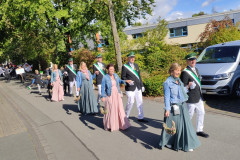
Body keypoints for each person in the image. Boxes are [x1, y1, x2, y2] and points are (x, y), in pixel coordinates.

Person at [159, 63, 200, 152]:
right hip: (174, 107)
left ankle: (185, 144)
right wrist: (167, 109)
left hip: (182, 106)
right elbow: (167, 97)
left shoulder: (179, 80)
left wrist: (188, 86)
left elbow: (181, 92)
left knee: (185, 126)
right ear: (172, 71)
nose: (178, 72)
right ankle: (169, 142)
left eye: (179, 70)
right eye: (177, 70)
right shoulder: (167, 83)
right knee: (173, 127)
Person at [180, 52, 209, 138]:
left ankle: (199, 130)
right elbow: (183, 87)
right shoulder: (185, 72)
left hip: (198, 96)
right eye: (191, 60)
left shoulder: (196, 69)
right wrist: (189, 86)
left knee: (201, 113)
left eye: (194, 59)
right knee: (189, 115)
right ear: (187, 61)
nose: (193, 61)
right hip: (191, 98)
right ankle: (184, 129)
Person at [101, 64, 131, 131]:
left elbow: (120, 81)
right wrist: (102, 96)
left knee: (119, 108)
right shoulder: (105, 77)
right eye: (110, 69)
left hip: (117, 94)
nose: (112, 70)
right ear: (108, 70)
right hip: (110, 95)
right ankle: (110, 125)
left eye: (113, 69)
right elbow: (103, 87)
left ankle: (120, 124)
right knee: (111, 109)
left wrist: (126, 81)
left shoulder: (116, 75)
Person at [121, 52, 148, 123]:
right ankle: (126, 116)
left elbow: (139, 77)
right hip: (130, 87)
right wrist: (127, 81)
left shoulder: (136, 65)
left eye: (134, 57)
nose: (133, 58)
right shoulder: (125, 66)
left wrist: (142, 85)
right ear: (128, 58)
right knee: (131, 102)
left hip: (138, 87)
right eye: (131, 57)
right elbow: (123, 77)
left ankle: (140, 117)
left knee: (140, 102)